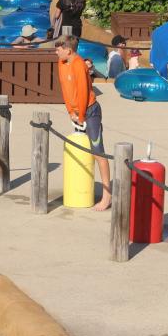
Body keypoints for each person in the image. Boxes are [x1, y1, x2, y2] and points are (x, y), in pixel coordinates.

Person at [55, 36, 111, 211]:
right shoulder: (61, 63)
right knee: (83, 149)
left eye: (58, 48)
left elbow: (83, 92)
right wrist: (70, 112)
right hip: (76, 113)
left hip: (90, 111)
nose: (55, 51)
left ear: (68, 50)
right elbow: (65, 88)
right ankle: (81, 188)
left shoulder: (79, 64)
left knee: (98, 151)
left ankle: (107, 195)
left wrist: (80, 117)